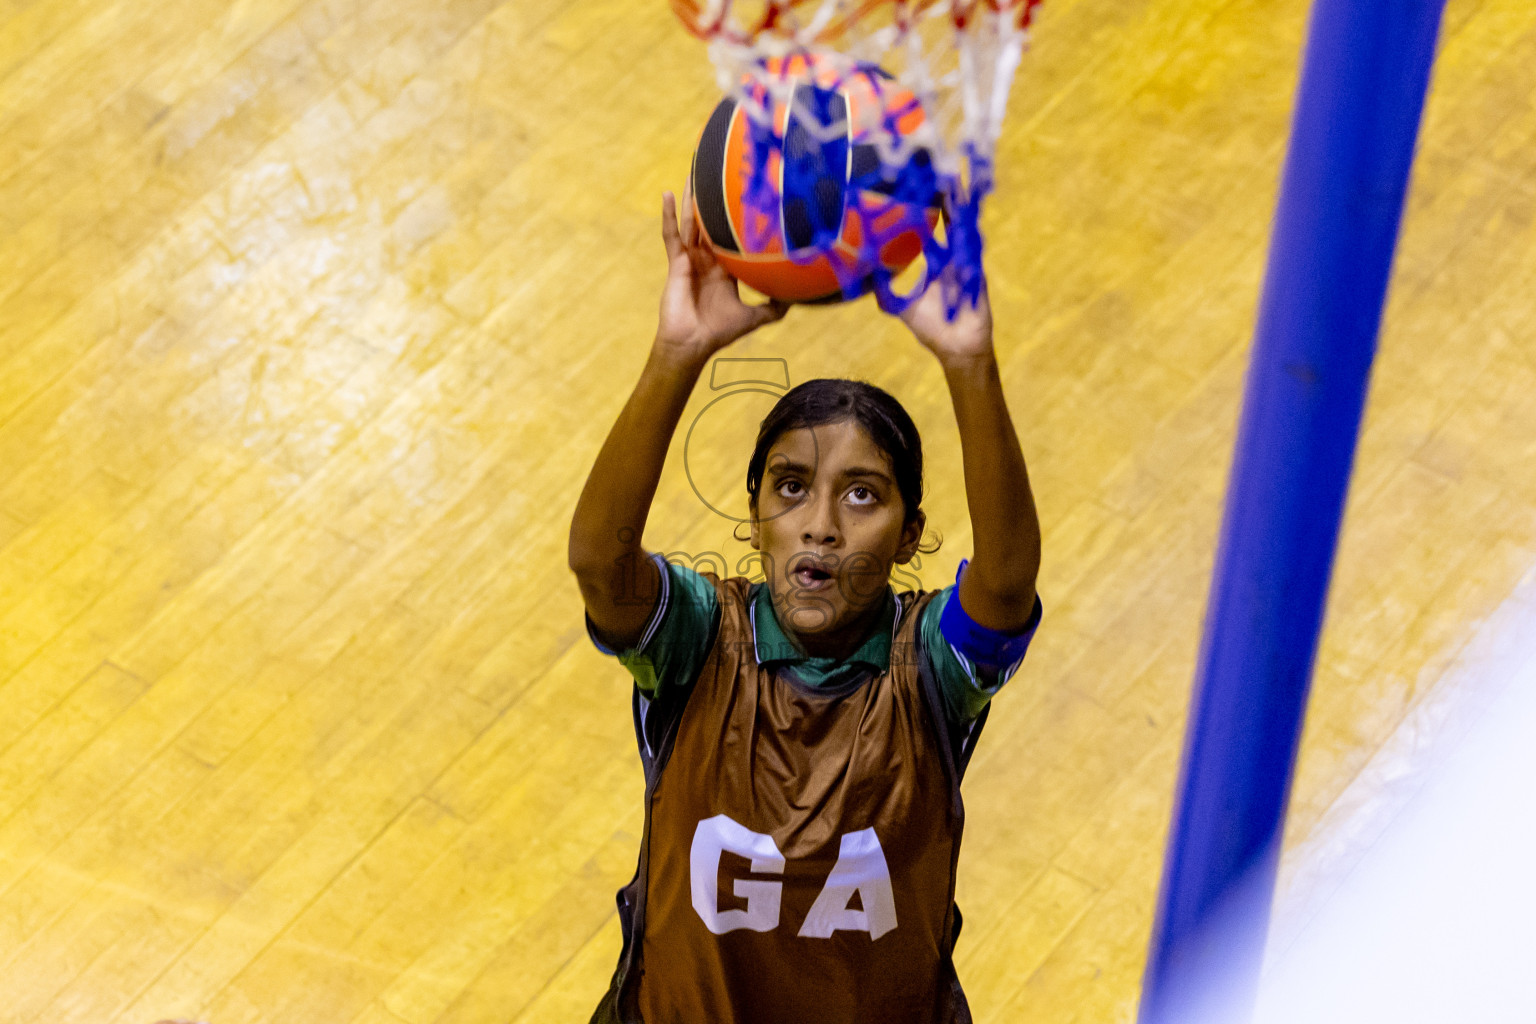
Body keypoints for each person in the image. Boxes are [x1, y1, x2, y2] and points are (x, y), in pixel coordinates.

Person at [567, 180, 1043, 1024]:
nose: (820, 526)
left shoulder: (931, 667)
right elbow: (603, 569)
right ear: (755, 518)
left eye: (862, 496)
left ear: (910, 535)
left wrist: (970, 363)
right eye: (791, 488)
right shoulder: (699, 640)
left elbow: (1004, 587)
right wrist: (678, 352)